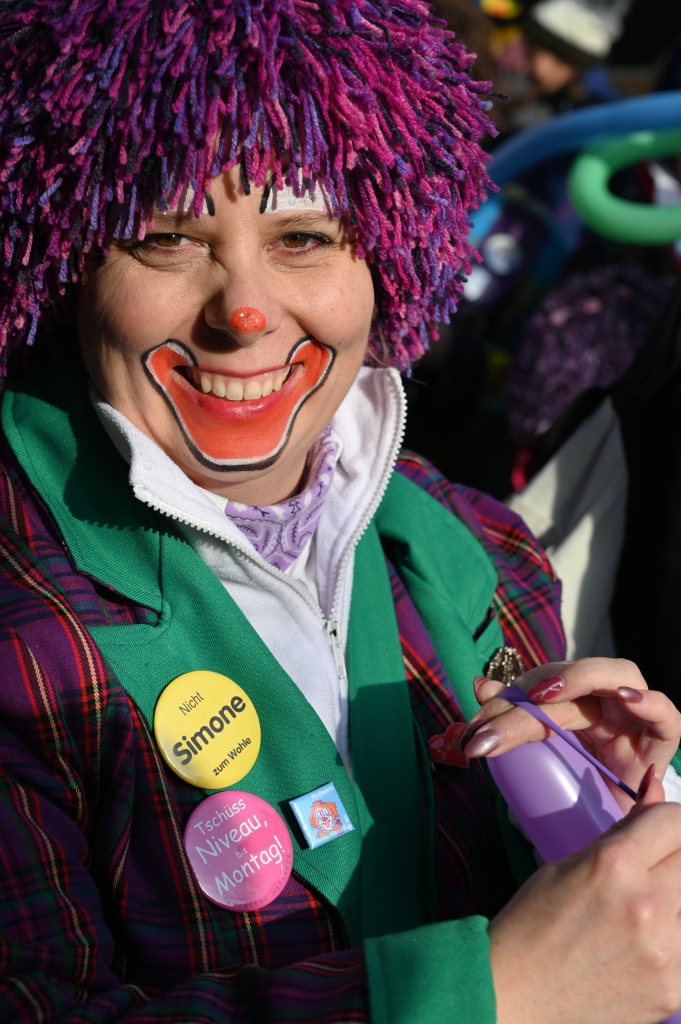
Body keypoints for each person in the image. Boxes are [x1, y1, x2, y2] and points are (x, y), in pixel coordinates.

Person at [1, 3, 681, 1024]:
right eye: (168, 238)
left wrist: (610, 825)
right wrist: (490, 994)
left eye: (305, 235)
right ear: (72, 266)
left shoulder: (479, 551)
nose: (243, 312)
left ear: (385, 259)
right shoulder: (22, 606)